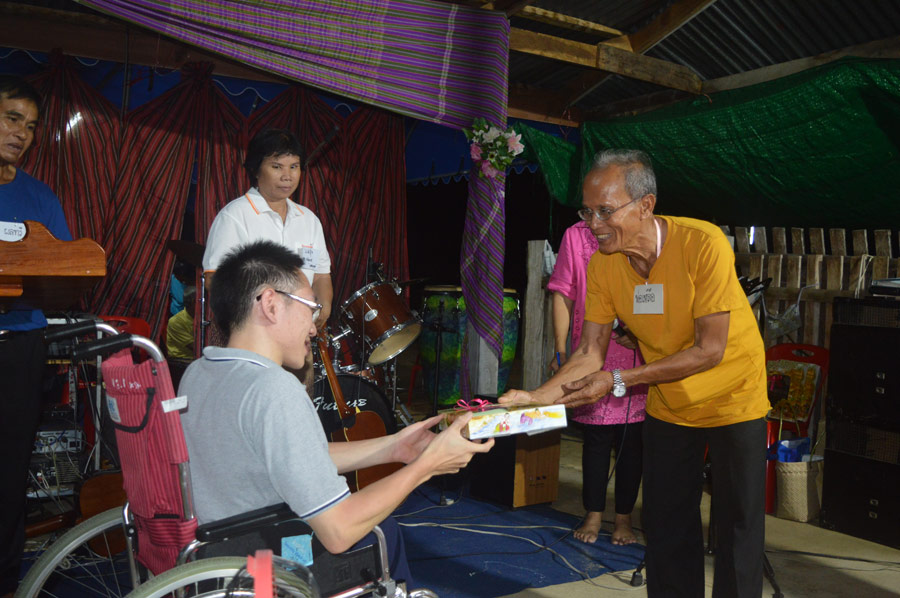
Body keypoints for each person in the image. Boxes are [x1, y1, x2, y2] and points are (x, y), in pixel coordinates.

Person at [502, 149, 769, 598]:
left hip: (733, 396)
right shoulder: (603, 266)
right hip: (669, 403)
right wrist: (536, 397)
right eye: (587, 211)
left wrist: (621, 380)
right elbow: (590, 350)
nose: (592, 223)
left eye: (605, 211)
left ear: (646, 205)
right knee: (665, 520)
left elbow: (708, 350)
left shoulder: (702, 243)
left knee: (738, 524)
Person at [179, 240, 493, 584]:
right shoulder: (273, 389)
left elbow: (295, 457)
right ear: (270, 304)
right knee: (381, 532)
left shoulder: (199, 372)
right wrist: (427, 465)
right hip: (264, 569)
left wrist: (394, 447)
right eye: (310, 309)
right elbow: (339, 530)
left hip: (213, 558)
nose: (314, 328)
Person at [0, 75, 72, 597]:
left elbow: (67, 271)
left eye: (29, 126)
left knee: (10, 470)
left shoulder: (40, 197)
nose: (20, 133)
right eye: (10, 118)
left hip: (21, 346)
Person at [202, 128, 332, 386]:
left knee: (294, 410)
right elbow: (214, 280)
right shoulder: (235, 216)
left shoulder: (309, 220)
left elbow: (321, 276)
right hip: (253, 342)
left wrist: (322, 311)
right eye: (276, 166)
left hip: (298, 342)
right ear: (256, 169)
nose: (287, 176)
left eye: (294, 166)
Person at [547, 219, 647, 546]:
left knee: (632, 442)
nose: (596, 217)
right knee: (596, 436)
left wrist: (642, 332)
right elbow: (563, 291)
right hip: (590, 349)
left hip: (637, 353)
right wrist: (561, 349)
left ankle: (623, 518)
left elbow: (654, 287)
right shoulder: (575, 235)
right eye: (589, 208)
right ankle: (592, 512)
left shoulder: (639, 229)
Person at [166, 285, 195, 360]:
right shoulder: (176, 322)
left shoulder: (204, 318)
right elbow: (196, 347)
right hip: (182, 361)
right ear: (193, 302)